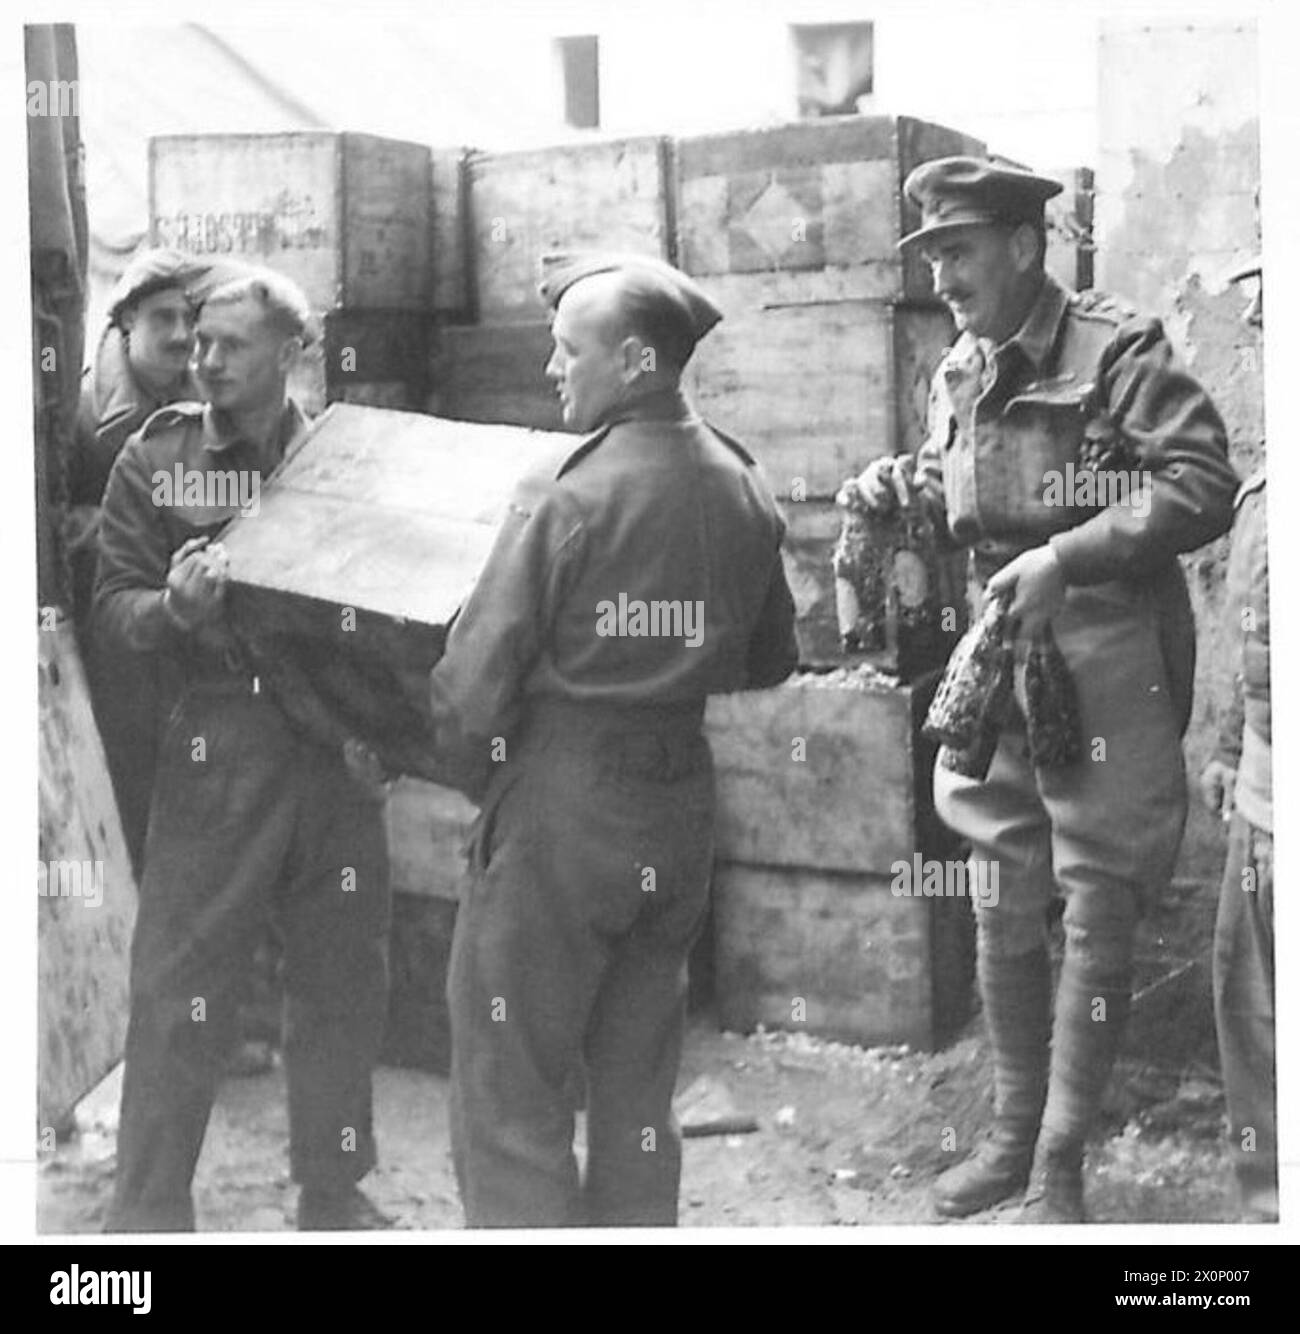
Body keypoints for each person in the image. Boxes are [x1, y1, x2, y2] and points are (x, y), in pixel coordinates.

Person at [840, 158, 1239, 1223]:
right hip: (1001, 646)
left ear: (1024, 245)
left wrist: (1070, 555)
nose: (945, 279)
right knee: (1000, 886)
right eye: (932, 258)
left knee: (1099, 904)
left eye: (960, 252)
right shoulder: (958, 367)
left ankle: (1062, 1158)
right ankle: (1012, 1136)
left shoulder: (1119, 346)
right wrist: (900, 483)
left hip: (1103, 639)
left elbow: (1202, 481)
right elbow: (958, 481)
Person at [427, 252, 799, 1227]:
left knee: (512, 1091)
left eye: (569, 350)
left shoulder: (562, 490)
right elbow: (770, 660)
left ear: (635, 358)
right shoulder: (741, 482)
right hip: (675, 807)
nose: (555, 369)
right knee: (638, 1097)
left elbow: (470, 690)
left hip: (562, 807)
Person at [96, 271, 392, 1232]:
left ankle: (333, 1191)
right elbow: (112, 608)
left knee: (342, 979)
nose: (204, 359)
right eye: (196, 342)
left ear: (292, 353)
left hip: (332, 747)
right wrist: (173, 612)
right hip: (216, 747)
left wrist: (391, 737)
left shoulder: (343, 457)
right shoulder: (161, 454)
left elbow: (393, 611)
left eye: (228, 344)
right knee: (179, 985)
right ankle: (145, 1214)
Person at [70, 249, 209, 873]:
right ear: (125, 325)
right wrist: (132, 531)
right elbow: (48, 522)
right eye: (161, 318)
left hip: (179, 624)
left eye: (187, 318)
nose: (181, 334)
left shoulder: (202, 400)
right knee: (127, 777)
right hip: (104, 624)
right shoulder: (81, 415)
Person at [1200, 255, 1274, 1223]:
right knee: (1252, 1018)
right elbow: (1244, 619)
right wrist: (1223, 743)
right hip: (1262, 801)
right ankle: (1269, 1214)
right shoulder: (1267, 485)